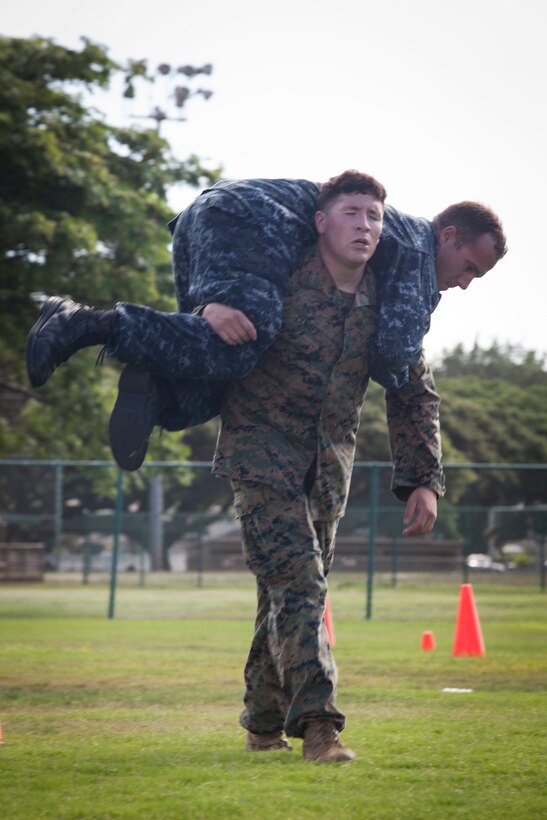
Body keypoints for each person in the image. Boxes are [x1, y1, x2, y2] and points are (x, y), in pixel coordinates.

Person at [25, 176, 507, 469]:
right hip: (247, 218)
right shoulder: (418, 251)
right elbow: (391, 356)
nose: (465, 283)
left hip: (209, 215)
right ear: (448, 236)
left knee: (226, 361)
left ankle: (157, 392)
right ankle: (80, 322)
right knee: (250, 332)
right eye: (470, 268)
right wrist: (406, 369)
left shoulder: (401, 244)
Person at [211, 170, 444, 762]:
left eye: (374, 216)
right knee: (302, 584)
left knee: (285, 594)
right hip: (260, 451)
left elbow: (414, 391)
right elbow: (208, 302)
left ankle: (262, 722)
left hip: (330, 465)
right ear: (321, 222)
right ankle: (320, 727)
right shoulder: (276, 282)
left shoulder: (390, 305)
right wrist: (210, 304)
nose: (364, 225)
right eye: (351, 213)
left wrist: (423, 479)